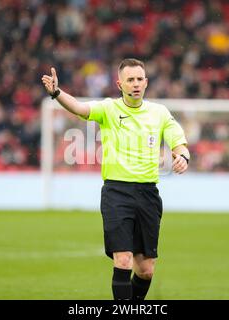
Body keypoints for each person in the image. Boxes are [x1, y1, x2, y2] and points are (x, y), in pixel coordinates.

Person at [41, 58, 190, 300]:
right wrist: (57, 92)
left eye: (139, 79)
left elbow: (179, 143)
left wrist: (183, 156)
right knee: (123, 260)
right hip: (116, 193)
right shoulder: (109, 109)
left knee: (146, 270)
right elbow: (79, 108)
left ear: (146, 82)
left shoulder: (159, 113)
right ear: (119, 84)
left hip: (148, 195)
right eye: (130, 80)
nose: (135, 84)